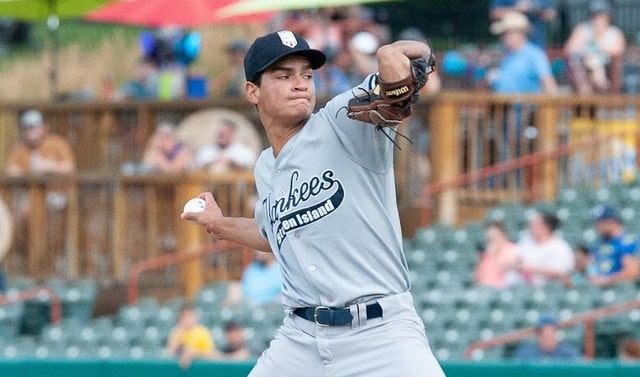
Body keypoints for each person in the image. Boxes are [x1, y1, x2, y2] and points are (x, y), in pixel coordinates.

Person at [182, 29, 445, 377]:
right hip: (301, 339)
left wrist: (399, 53)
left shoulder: (341, 122)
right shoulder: (265, 166)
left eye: (307, 75)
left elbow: (397, 86)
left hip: (381, 335)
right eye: (284, 75)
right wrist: (217, 223)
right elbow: (274, 232)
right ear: (252, 91)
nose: (301, 83)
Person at [5, 109, 77, 276]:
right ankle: (28, 264)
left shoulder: (57, 143)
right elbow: (11, 171)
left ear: (45, 127)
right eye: (27, 127)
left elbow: (70, 167)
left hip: (58, 198)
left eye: (34, 127)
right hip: (30, 203)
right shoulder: (19, 149)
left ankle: (51, 264)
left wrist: (50, 167)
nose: (31, 131)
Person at [563, 0, 626, 95]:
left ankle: (598, 94)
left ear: (608, 16)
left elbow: (619, 52)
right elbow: (568, 50)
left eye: (600, 15)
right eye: (594, 15)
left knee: (595, 68)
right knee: (582, 67)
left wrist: (598, 48)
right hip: (582, 68)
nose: (596, 19)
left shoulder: (615, 33)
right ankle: (586, 102)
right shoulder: (581, 30)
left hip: (605, 70)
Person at [488, 11, 557, 94]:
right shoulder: (508, 55)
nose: (503, 37)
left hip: (526, 106)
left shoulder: (535, 54)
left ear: (520, 33)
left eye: (506, 33)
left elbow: (549, 84)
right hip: (504, 105)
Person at [514, 211, 575, 286]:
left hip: (552, 290)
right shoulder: (525, 242)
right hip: (524, 289)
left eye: (535, 224)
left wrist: (530, 268)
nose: (531, 226)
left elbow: (561, 272)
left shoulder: (560, 247)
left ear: (547, 227)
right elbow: (515, 260)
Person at [588, 205, 640, 287]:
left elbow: (632, 272)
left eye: (601, 222)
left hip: (623, 291)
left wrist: (606, 281)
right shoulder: (597, 244)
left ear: (612, 221)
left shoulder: (628, 242)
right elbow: (591, 267)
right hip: (598, 291)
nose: (598, 226)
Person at [166, 302, 216, 370]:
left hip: (201, 370)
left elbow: (212, 354)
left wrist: (194, 353)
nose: (186, 319)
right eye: (183, 316)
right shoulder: (176, 331)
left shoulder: (202, 332)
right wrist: (179, 334)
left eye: (189, 315)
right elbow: (170, 354)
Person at [489, 0, 557, 48]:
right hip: (510, 45)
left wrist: (534, 8)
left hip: (536, 41)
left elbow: (551, 14)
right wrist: (518, 8)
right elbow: (494, 13)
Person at [512, 315, 582, 360]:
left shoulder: (568, 353)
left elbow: (579, 371)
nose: (547, 338)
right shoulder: (526, 353)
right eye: (543, 334)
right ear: (538, 335)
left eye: (551, 334)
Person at [474, 221, 520, 289]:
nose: (492, 239)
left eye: (495, 235)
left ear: (504, 235)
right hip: (483, 289)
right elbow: (476, 278)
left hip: (502, 291)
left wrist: (494, 254)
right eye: (489, 237)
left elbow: (503, 269)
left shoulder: (511, 249)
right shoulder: (486, 253)